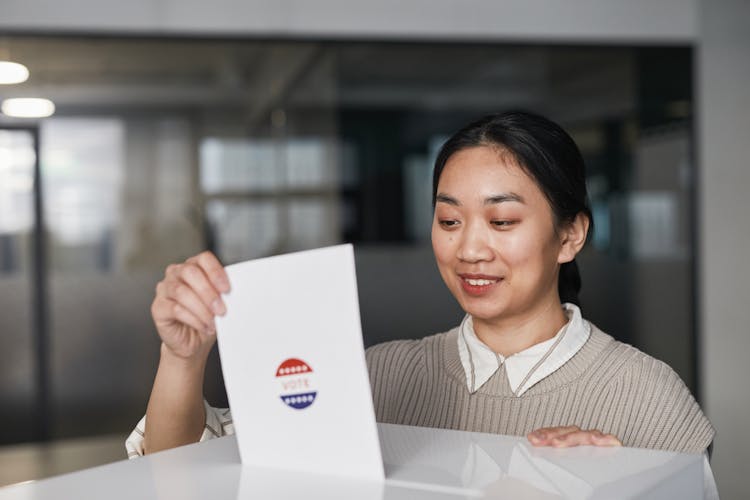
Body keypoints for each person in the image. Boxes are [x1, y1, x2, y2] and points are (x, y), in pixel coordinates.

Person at [126, 111, 716, 494]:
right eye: (449, 219)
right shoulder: (379, 376)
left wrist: (642, 484)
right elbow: (182, 477)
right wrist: (183, 357)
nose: (470, 248)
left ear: (571, 235)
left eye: (502, 219)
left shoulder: (648, 399)